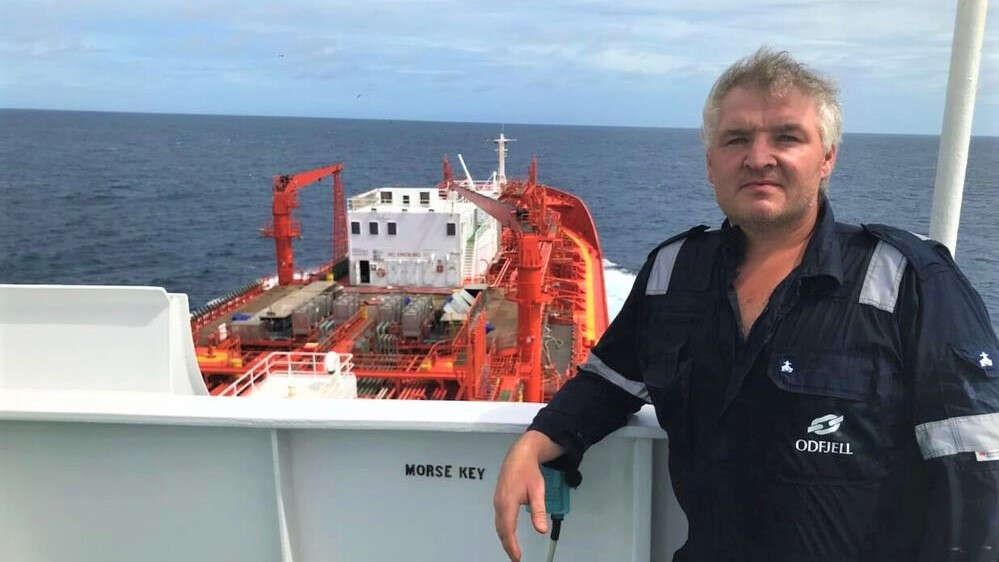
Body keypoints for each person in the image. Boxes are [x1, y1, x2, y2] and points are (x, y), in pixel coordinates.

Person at [493, 47, 999, 562]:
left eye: (787, 137)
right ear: (711, 164)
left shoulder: (908, 279)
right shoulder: (674, 273)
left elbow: (978, 471)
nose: (758, 158)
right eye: (736, 139)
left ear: (826, 158)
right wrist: (538, 441)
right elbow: (610, 380)